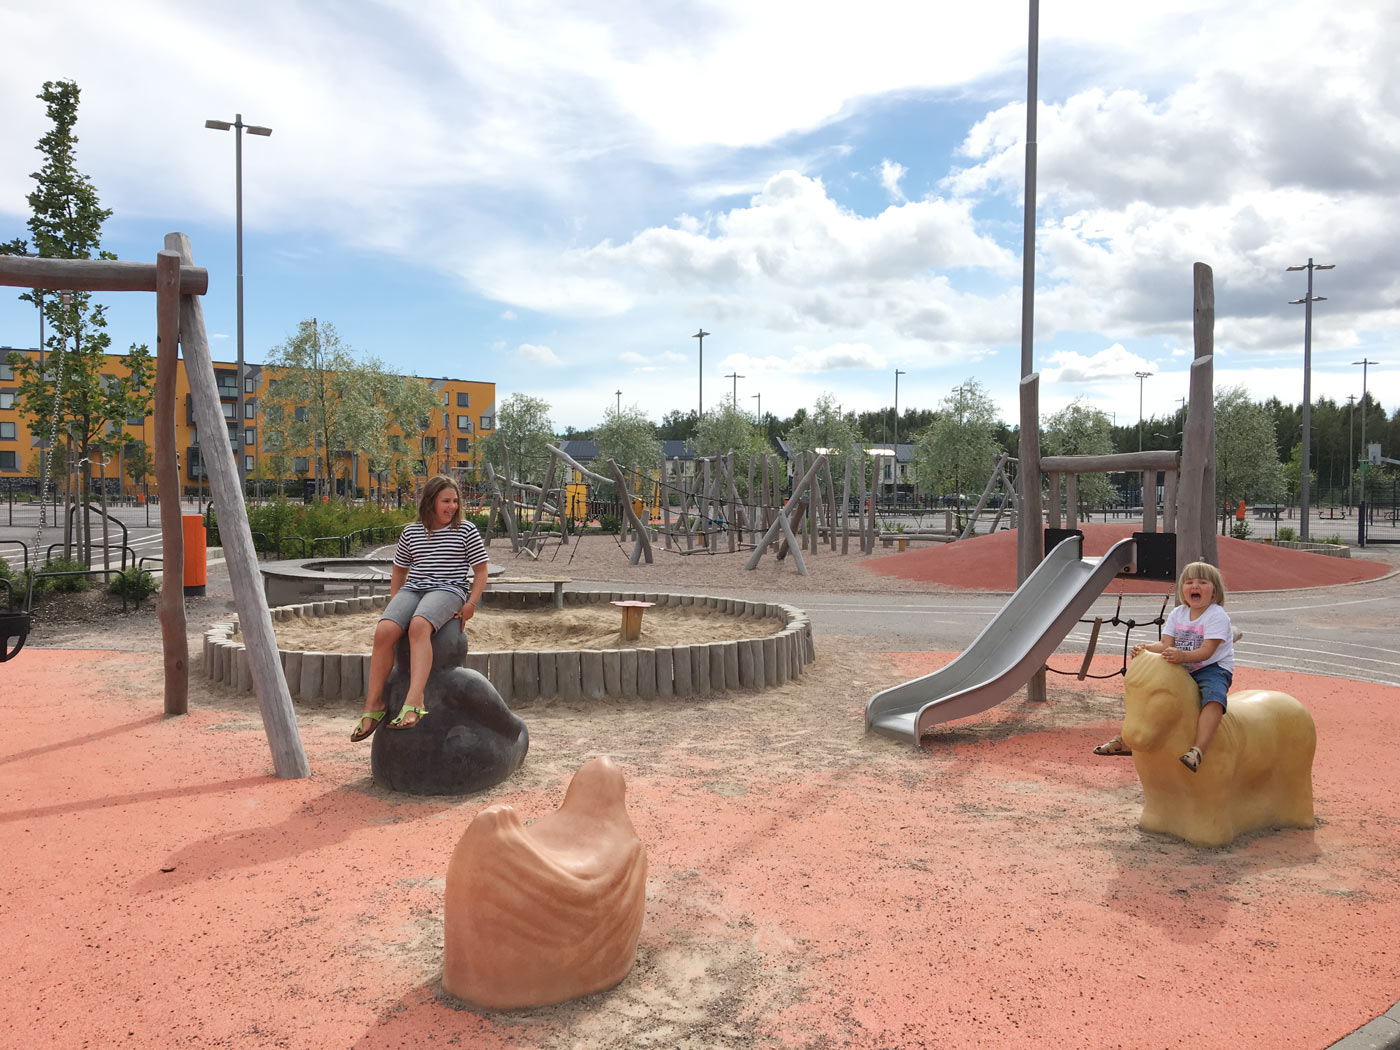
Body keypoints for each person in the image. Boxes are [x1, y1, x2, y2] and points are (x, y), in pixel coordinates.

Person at [351, 475, 489, 741]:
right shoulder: (412, 532)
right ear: (430, 502)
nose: (453, 507)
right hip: (414, 588)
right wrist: (395, 603)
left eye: (455, 501)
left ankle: (415, 701)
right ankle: (373, 704)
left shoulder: (466, 530)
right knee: (384, 630)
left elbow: (481, 571)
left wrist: (471, 602)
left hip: (449, 589)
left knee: (418, 626)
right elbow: (399, 570)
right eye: (446, 501)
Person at [1094, 561, 1235, 771]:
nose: (1195, 586)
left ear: (1214, 591)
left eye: (1202, 582)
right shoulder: (1178, 613)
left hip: (1211, 667)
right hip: (1183, 663)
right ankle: (1129, 739)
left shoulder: (1216, 616)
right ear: (1182, 589)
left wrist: (1182, 656)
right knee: (1146, 692)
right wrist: (1146, 648)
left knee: (1213, 699)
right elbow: (1165, 644)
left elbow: (1207, 651)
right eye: (1189, 582)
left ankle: (1198, 749)